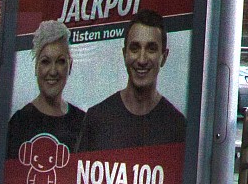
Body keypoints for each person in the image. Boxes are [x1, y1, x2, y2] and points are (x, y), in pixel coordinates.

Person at [80, 9, 187, 152]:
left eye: (151, 49)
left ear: (164, 56)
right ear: (125, 54)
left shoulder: (178, 127)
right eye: (135, 48)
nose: (142, 60)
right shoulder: (96, 119)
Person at [6, 19, 87, 151]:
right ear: (36, 67)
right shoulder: (19, 123)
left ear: (70, 66)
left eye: (60, 61)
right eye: (45, 62)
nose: (53, 71)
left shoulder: (82, 121)